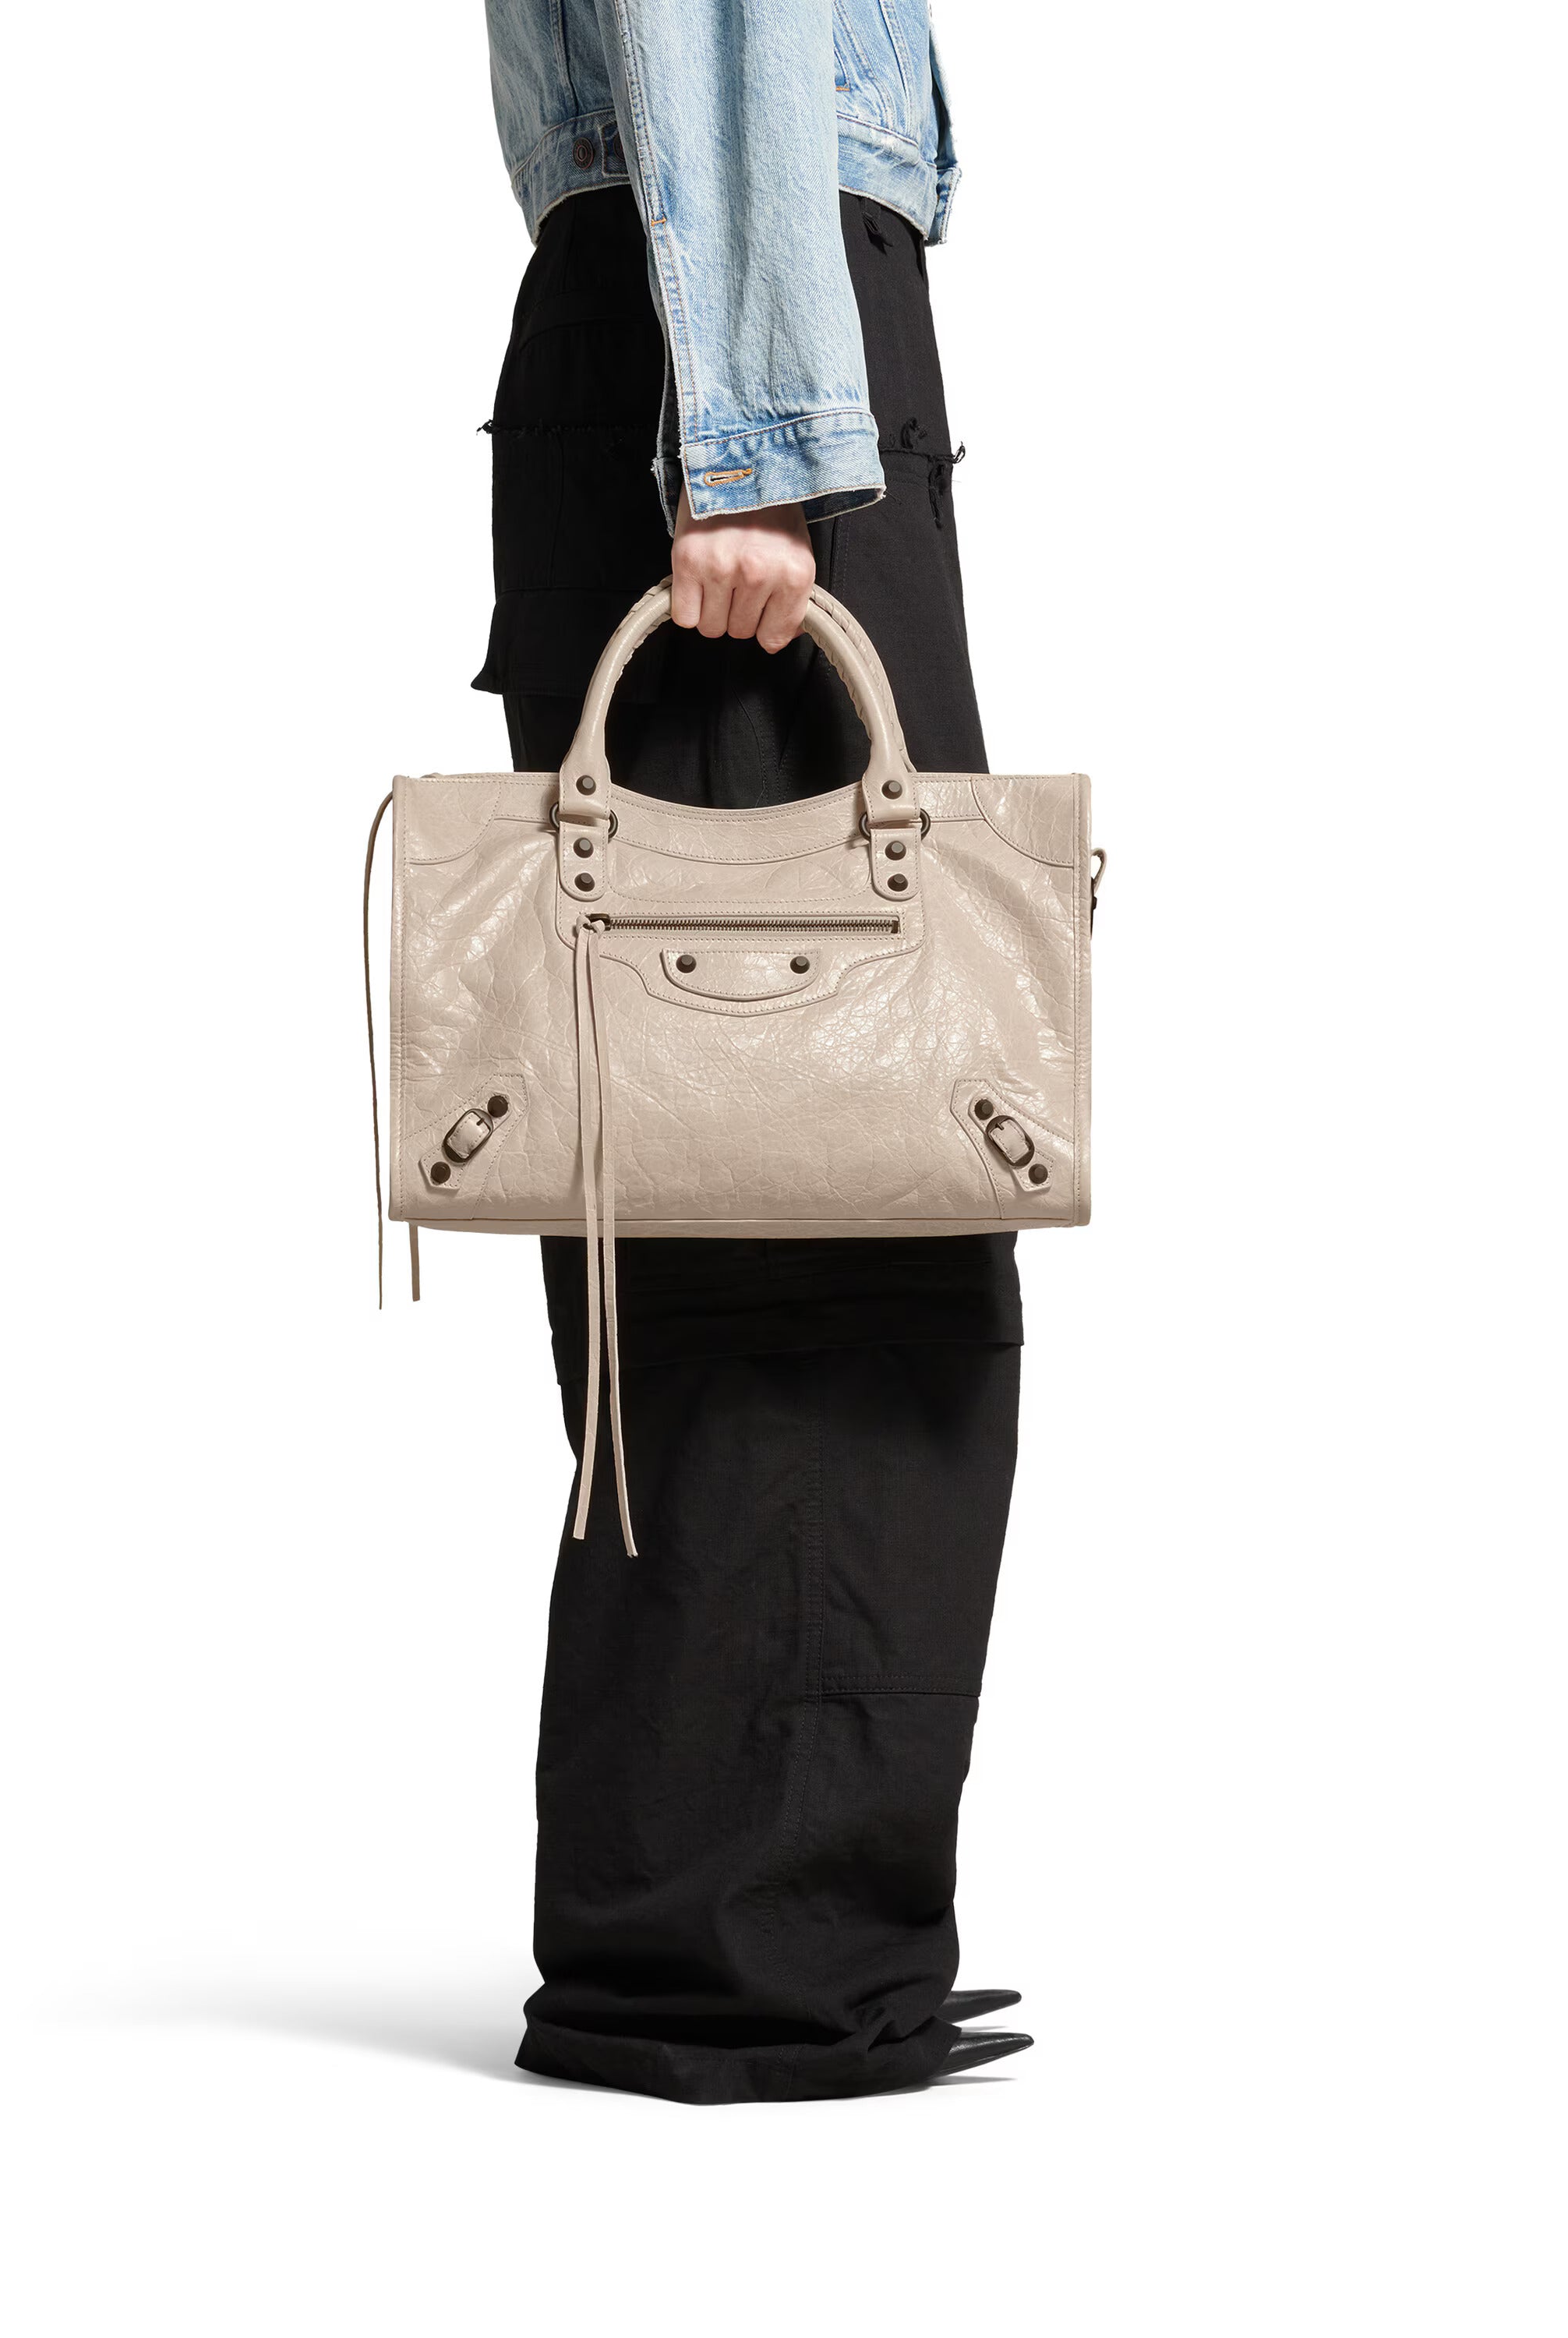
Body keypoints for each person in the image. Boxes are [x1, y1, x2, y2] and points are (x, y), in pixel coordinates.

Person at [478, 0, 1030, 2104]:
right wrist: (763, 446)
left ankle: (729, 1919)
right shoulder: (751, 417)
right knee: (817, 1199)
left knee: (736, 1173)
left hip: (710, 316)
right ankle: (748, 1962)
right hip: (741, 361)